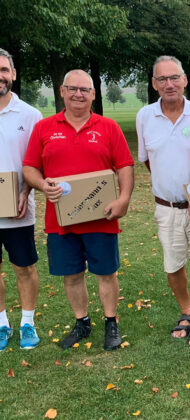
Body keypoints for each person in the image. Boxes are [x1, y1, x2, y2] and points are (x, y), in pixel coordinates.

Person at [23, 69, 134, 351]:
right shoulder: (44, 128)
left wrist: (123, 199)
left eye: (84, 89)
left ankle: (111, 323)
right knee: (72, 275)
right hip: (61, 219)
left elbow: (124, 166)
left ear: (93, 94)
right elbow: (29, 168)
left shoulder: (108, 127)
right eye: (72, 88)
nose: (78, 94)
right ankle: (82, 322)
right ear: (62, 91)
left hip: (102, 217)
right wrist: (41, 184)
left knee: (106, 273)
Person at [137, 56, 190, 346]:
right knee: (173, 265)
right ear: (154, 84)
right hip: (165, 207)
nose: (169, 84)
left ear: (185, 80)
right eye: (162, 79)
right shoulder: (144, 116)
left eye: (174, 78)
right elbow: (148, 162)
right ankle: (185, 310)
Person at [0, 48, 42, 351]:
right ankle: (2, 324)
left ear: (13, 74)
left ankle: (28, 323)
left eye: (3, 69)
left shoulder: (30, 115)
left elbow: (37, 164)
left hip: (16, 207)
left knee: (24, 268)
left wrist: (25, 193)